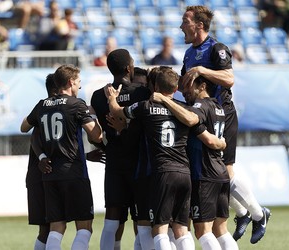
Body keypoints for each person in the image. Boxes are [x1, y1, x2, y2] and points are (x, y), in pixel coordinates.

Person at [180, 5, 271, 244]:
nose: (181, 26)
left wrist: (202, 70)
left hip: (222, 114)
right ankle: (242, 214)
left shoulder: (216, 48)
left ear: (199, 25)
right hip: (201, 114)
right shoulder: (189, 53)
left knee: (226, 172)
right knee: (215, 174)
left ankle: (259, 214)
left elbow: (229, 78)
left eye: (185, 21)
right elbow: (182, 84)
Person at [105, 67, 199, 250]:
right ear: (176, 88)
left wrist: (112, 98)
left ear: (154, 86)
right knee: (181, 228)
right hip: (184, 172)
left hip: (162, 174)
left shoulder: (145, 107)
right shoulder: (185, 109)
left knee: (159, 229)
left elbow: (117, 111)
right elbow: (193, 120)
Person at [20, 64, 103, 250]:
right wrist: (93, 115)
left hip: (50, 175)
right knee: (84, 227)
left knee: (56, 227)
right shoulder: (76, 104)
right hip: (73, 172)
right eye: (79, 82)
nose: (79, 87)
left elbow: (24, 127)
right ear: (70, 82)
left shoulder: (42, 105)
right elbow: (96, 136)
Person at [90, 49, 151, 250]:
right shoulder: (141, 93)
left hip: (114, 160)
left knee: (112, 218)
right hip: (139, 162)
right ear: (128, 68)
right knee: (141, 219)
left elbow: (96, 132)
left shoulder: (99, 96)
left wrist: (104, 147)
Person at [183, 76, 238, 250]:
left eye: (189, 86)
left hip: (204, 174)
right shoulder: (218, 107)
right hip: (220, 173)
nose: (185, 91)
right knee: (221, 230)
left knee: (202, 231)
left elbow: (192, 118)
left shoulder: (200, 106)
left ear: (203, 86)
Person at [23, 73, 57, 250]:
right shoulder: (44, 109)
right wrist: (42, 157)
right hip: (41, 175)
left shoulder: (48, 109)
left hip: (45, 175)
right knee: (49, 228)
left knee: (52, 228)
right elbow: (32, 136)